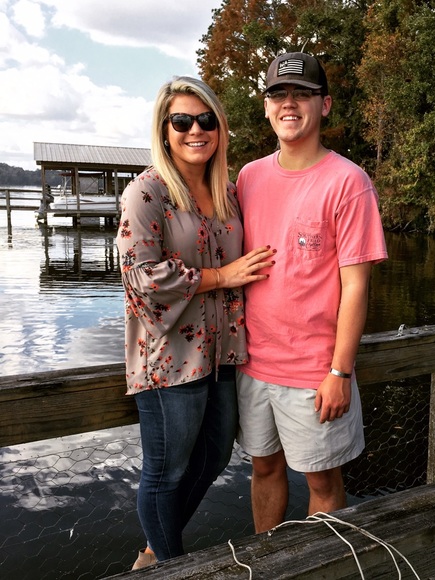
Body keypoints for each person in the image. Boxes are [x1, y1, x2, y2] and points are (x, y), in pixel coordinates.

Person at [116, 76, 275, 568]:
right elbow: (141, 276)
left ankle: (153, 554)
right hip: (170, 359)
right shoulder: (147, 192)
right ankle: (170, 566)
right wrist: (222, 276)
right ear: (165, 131)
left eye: (205, 120)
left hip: (223, 352)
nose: (195, 130)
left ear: (220, 128)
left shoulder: (227, 191)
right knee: (165, 473)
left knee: (215, 456)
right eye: (181, 121)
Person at [236, 52, 388, 533]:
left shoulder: (349, 182)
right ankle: (267, 558)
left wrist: (340, 371)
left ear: (325, 105)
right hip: (252, 363)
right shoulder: (248, 177)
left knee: (322, 481)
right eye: (279, 94)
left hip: (313, 373)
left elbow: (356, 286)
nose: (289, 103)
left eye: (302, 94)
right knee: (264, 468)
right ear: (266, 107)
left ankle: (322, 563)